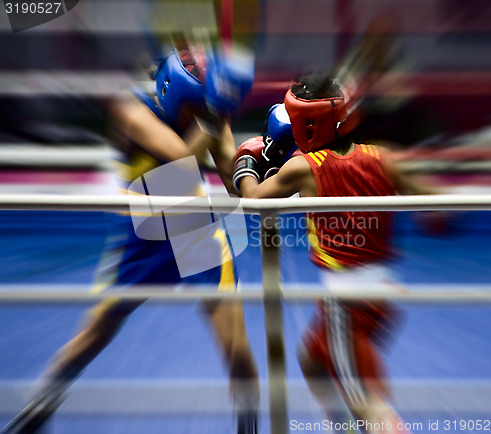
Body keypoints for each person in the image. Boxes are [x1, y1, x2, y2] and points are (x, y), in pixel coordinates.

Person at [2, 47, 259, 434]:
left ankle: (249, 421)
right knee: (96, 331)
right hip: (144, 232)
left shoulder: (210, 114)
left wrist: (249, 157)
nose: (197, 115)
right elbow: (178, 158)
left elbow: (230, 181)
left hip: (194, 229)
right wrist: (211, 119)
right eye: (193, 108)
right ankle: (41, 404)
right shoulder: (131, 110)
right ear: (173, 92)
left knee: (235, 341)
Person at [233, 71, 434, 433]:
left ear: (308, 125)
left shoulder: (303, 168)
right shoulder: (384, 158)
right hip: (383, 293)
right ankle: (340, 426)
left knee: (368, 405)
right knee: (311, 360)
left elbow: (251, 200)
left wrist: (246, 161)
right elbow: (440, 210)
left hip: (346, 300)